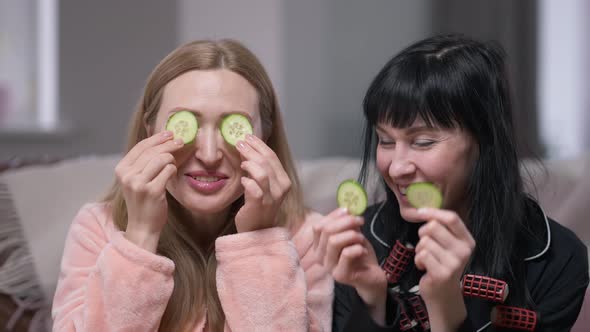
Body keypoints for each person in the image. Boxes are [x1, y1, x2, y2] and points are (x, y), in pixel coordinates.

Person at [51, 39, 332, 331]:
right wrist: (141, 235)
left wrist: (258, 241)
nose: (209, 155)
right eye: (186, 125)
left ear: (265, 136)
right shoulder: (96, 228)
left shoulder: (307, 237)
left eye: (233, 127)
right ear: (150, 131)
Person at [314, 34, 589, 331]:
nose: (396, 167)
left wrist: (445, 305)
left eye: (422, 142)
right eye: (385, 140)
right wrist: (371, 300)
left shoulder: (557, 259)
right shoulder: (360, 241)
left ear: (485, 141)